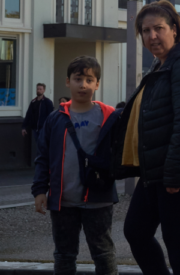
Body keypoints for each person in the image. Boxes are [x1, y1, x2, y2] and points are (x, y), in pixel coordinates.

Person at [111, 0, 180, 275]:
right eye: (145, 31)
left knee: (176, 238)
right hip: (156, 169)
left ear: (174, 30)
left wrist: (174, 173)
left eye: (158, 28)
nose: (152, 36)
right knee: (136, 231)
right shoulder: (161, 67)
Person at [32, 56, 119, 275]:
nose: (83, 85)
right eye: (78, 79)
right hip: (63, 200)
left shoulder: (109, 116)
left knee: (103, 253)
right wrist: (40, 190)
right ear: (67, 81)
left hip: (98, 198)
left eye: (89, 80)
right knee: (64, 254)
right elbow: (43, 157)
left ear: (97, 84)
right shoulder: (55, 119)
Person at [23, 82, 55, 162]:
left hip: (43, 128)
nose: (39, 90)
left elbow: (51, 116)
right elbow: (28, 115)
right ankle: (41, 160)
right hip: (35, 128)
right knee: (38, 144)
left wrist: (49, 127)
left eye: (40, 89)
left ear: (44, 90)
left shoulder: (47, 102)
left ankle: (44, 161)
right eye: (38, 89)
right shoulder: (33, 102)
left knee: (43, 144)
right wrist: (24, 127)